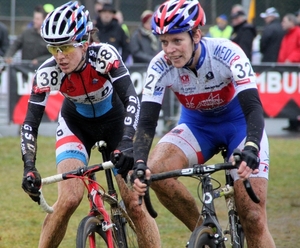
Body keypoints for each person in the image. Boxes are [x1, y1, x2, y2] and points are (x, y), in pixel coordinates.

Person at [129, 0, 276, 247]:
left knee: (252, 216)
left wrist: (251, 145)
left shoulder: (227, 52)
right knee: (158, 169)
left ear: (196, 35)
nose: (170, 50)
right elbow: (146, 121)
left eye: (177, 41)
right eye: (164, 42)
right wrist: (140, 162)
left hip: (238, 125)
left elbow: (252, 107)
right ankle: (206, 232)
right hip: (198, 126)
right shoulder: (159, 65)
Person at [20, 2, 140, 248]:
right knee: (68, 200)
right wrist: (29, 167)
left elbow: (131, 99)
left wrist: (127, 142)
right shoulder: (48, 72)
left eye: (65, 47)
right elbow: (30, 124)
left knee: (134, 203)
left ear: (84, 42)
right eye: (53, 48)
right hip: (77, 125)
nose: (59, 56)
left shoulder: (104, 56)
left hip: (115, 123)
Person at [277, 13, 300, 132]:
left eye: (284, 21)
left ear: (292, 22)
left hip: (294, 70)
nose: (282, 23)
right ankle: (292, 122)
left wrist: (291, 59)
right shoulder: (287, 35)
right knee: (289, 97)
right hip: (287, 70)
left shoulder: (297, 33)